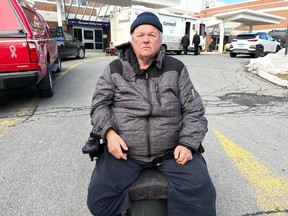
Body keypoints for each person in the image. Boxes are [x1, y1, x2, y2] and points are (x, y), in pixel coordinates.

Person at [87, 11, 216, 216]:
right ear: (132, 39)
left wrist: (187, 144)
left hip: (171, 153)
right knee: (98, 200)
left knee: (203, 196)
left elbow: (194, 110)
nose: (146, 39)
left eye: (152, 34)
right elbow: (99, 105)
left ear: (160, 39)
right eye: (140, 34)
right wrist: (109, 133)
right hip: (125, 154)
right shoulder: (114, 69)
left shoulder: (176, 68)